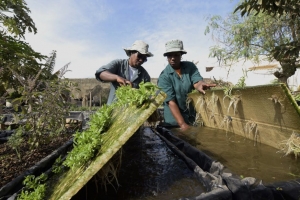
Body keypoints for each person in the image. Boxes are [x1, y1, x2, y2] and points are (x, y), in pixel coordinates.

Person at [157, 39, 216, 131]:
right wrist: (182, 124)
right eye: (170, 55)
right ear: (167, 57)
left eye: (176, 55)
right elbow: (171, 102)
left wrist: (200, 84)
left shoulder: (190, 67)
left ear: (181, 55)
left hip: (190, 115)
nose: (173, 58)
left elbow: (196, 80)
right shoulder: (164, 77)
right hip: (174, 120)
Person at [95, 40, 153, 104]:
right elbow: (101, 73)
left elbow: (146, 97)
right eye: (139, 56)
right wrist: (117, 78)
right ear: (131, 53)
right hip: (113, 110)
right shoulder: (118, 64)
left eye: (144, 58)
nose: (141, 60)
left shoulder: (145, 76)